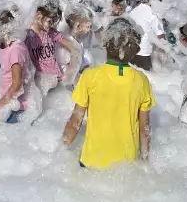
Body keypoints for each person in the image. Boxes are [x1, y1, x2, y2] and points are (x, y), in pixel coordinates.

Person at [63, 17, 155, 169]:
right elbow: (145, 127)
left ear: (104, 43)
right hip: (126, 165)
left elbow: (75, 121)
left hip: (92, 161)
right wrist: (145, 158)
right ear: (137, 50)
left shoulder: (90, 77)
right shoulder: (142, 80)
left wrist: (63, 149)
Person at [0, 7, 37, 124]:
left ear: (2, 29)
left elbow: (17, 84)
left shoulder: (15, 50)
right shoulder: (4, 44)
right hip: (10, 101)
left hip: (18, 107)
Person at [26, 0, 77, 95]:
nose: (51, 25)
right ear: (39, 14)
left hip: (57, 78)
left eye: (53, 22)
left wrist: (71, 66)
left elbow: (73, 49)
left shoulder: (50, 33)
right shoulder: (27, 37)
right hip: (41, 82)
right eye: (49, 21)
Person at [128, 0, 166, 71]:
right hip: (143, 53)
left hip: (130, 52)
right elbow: (161, 36)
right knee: (145, 78)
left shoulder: (133, 11)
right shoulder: (153, 13)